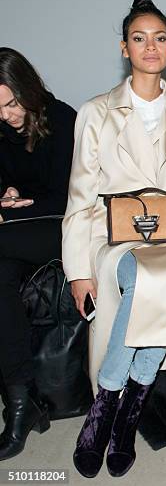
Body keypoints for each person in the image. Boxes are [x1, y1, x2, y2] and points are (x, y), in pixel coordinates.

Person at [62, 0, 166, 478]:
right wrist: (78, 272)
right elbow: (80, 196)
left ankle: (114, 412)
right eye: (139, 38)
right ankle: (116, 409)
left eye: (160, 38)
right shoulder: (95, 112)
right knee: (151, 275)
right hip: (114, 238)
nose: (150, 47)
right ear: (125, 48)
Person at [0, 47, 76, 460]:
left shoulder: (62, 119)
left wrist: (17, 206)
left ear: (28, 89)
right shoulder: (0, 129)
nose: (8, 115)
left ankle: (20, 404)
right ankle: (20, 401)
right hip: (17, 230)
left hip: (61, 225)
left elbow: (69, 198)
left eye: (12, 103)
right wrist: (6, 197)